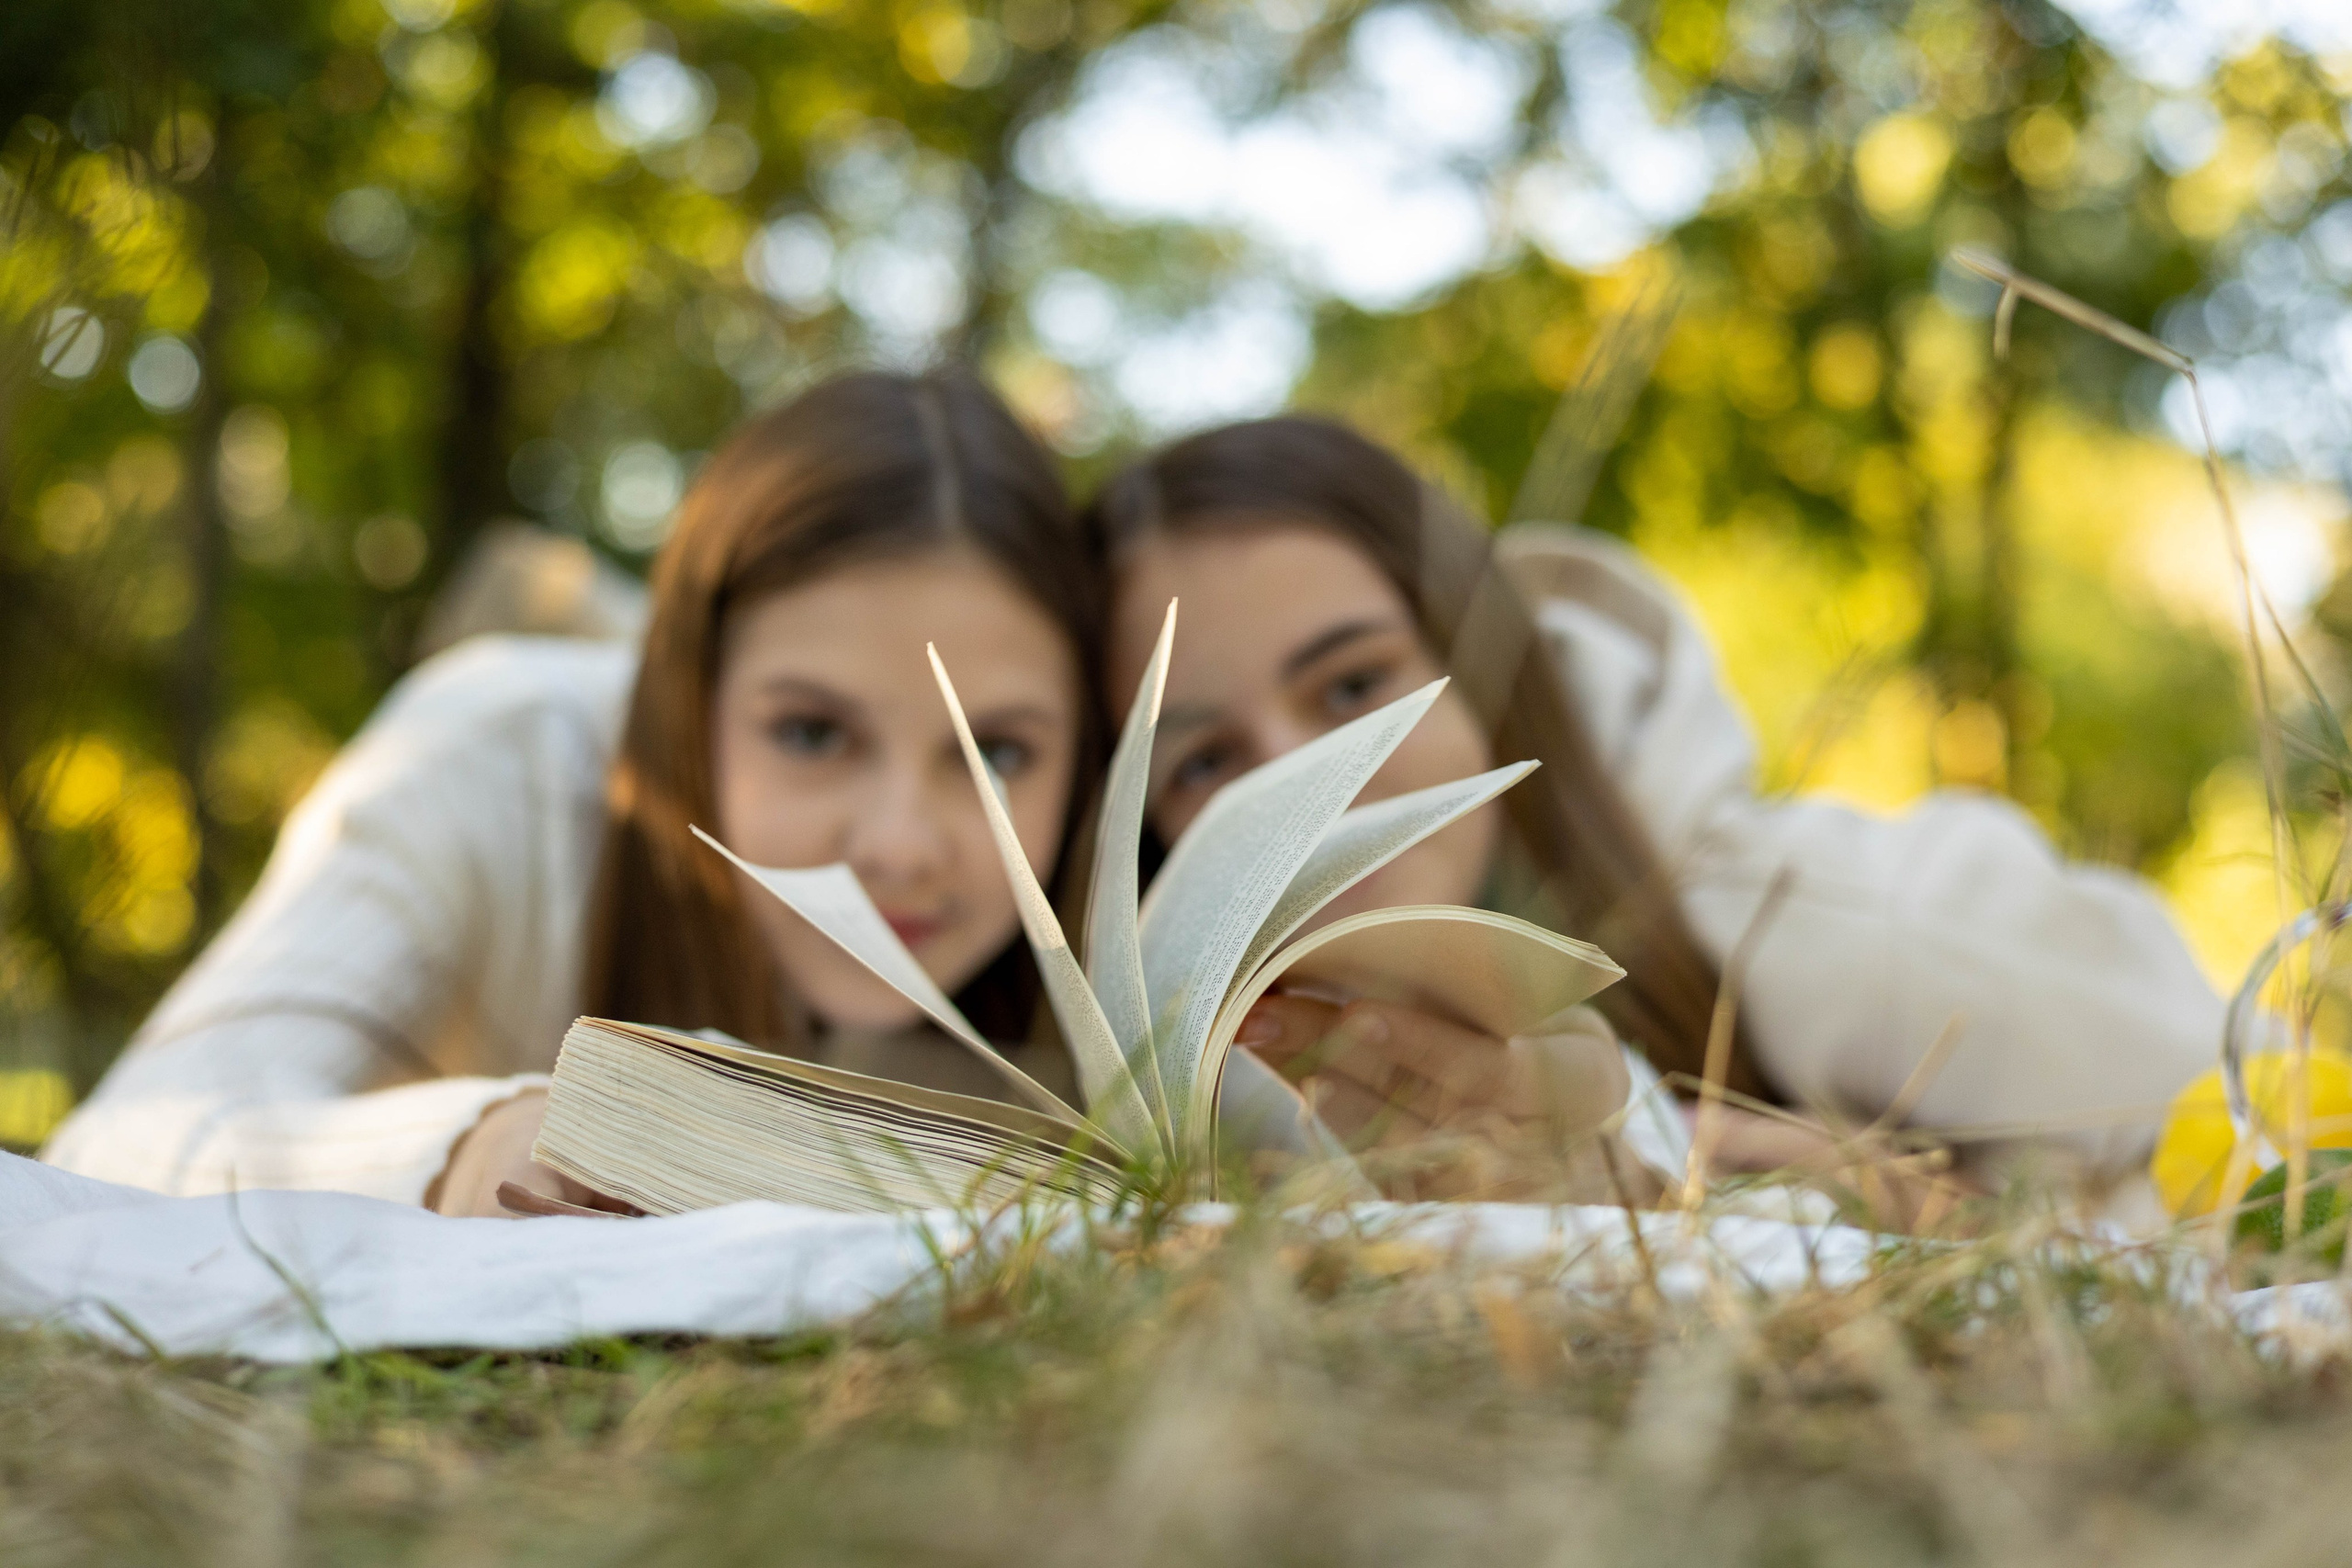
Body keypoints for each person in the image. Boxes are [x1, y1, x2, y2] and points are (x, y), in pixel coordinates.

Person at [42, 370, 1106, 1217]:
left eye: (998, 755)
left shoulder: (1106, 911)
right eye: (813, 733)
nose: (902, 845)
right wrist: (474, 1151)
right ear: (688, 703)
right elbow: (122, 1145)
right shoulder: (491, 751)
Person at [1084, 415, 2221, 1206]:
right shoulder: (1209, 1076)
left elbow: (2258, 1169)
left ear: (1481, 660)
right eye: (1205, 761)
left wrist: (1797, 1190)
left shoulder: (1833, 921)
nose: (1302, 789)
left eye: (1352, 688)